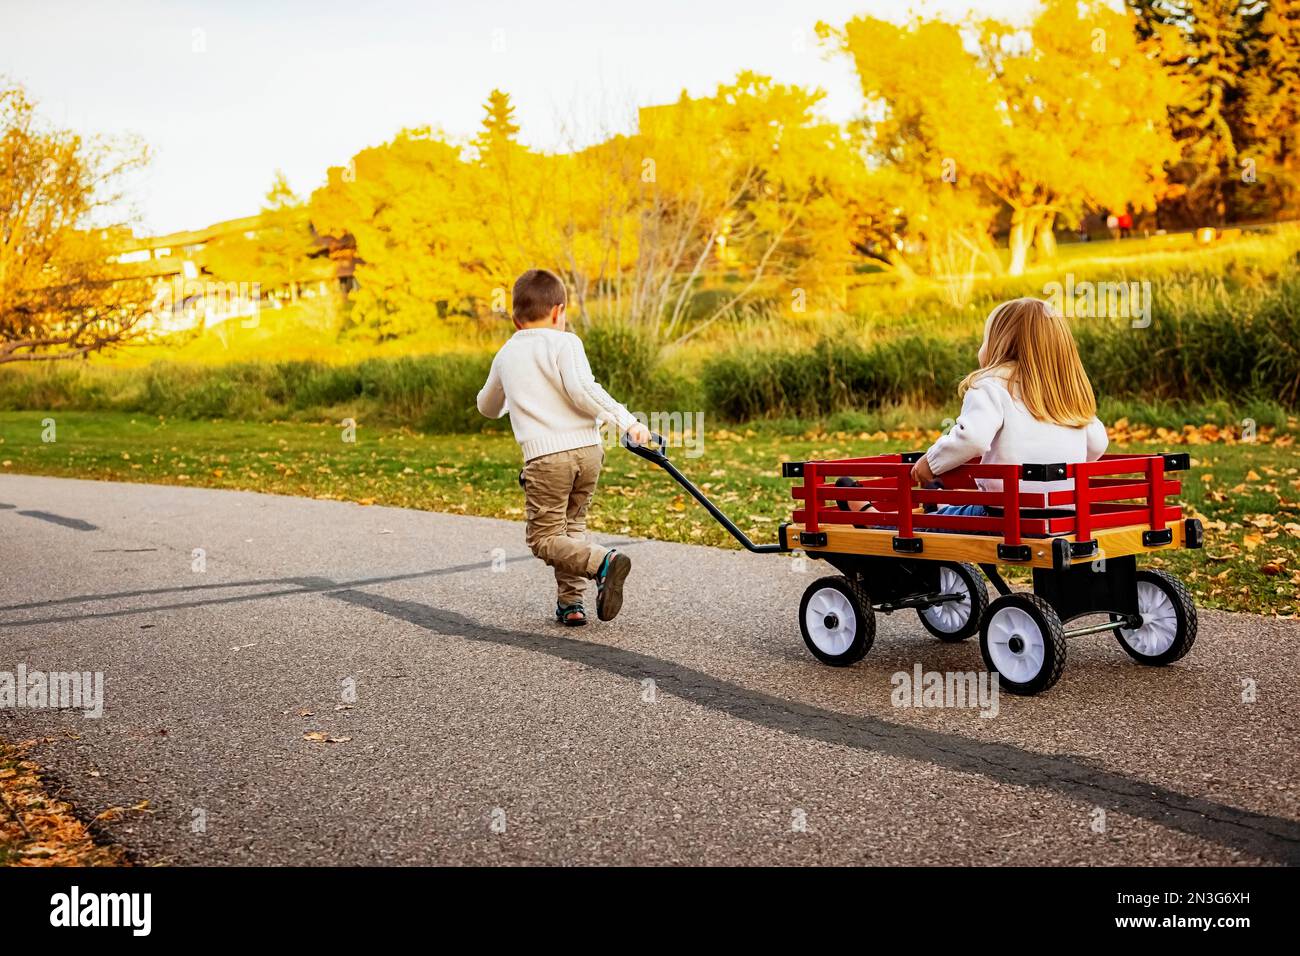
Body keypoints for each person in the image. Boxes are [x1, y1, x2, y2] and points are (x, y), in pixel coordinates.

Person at [476, 268, 651, 626]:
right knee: (571, 528)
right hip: (588, 454)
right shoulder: (566, 342)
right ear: (559, 311)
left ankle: (601, 562)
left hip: (546, 459)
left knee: (544, 538)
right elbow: (584, 390)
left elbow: (487, 407)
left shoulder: (506, 354)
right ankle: (571, 603)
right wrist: (627, 422)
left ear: (514, 318)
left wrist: (516, 395)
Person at [840, 297, 1108, 526]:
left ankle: (875, 520)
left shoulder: (991, 384)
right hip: (1065, 511)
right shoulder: (1067, 391)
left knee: (925, 526)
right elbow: (1098, 443)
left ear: (1000, 345)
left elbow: (972, 439)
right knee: (957, 512)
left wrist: (930, 462)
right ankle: (937, 506)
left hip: (1004, 513)